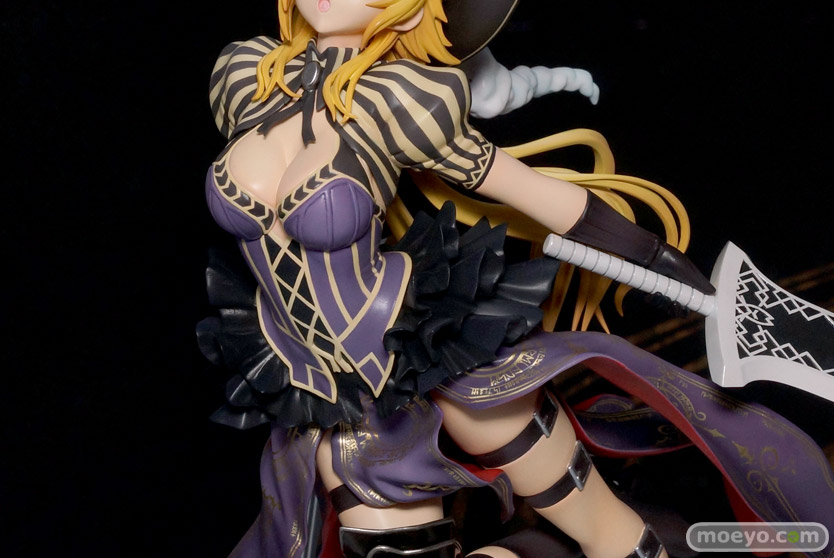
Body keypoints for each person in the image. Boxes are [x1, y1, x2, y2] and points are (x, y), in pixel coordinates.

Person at [199, 1, 834, 557]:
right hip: (321, 391)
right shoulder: (245, 76)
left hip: (428, 354)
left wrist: (669, 270)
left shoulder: (401, 101)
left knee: (609, 537)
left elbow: (531, 191)